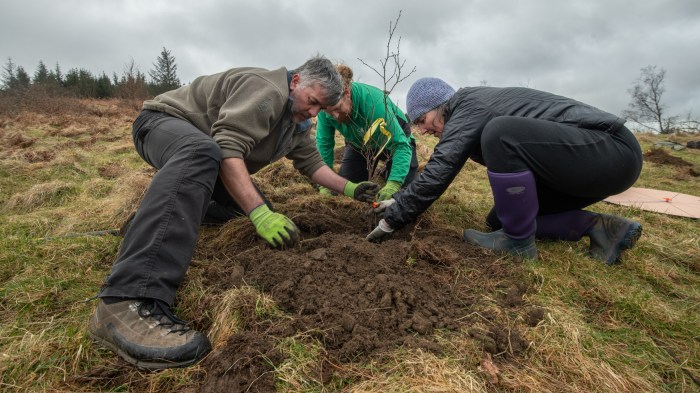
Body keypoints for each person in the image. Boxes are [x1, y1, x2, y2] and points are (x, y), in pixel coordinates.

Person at [88, 55, 379, 370]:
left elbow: (312, 165)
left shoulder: (295, 121)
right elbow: (226, 148)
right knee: (207, 158)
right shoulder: (267, 90)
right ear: (296, 81)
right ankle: (126, 300)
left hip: (205, 159)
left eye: (321, 109)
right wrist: (259, 214)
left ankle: (148, 223)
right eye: (312, 101)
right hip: (161, 124)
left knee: (253, 209)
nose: (313, 112)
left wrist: (350, 189)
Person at [367, 77, 643, 264]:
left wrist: (394, 217)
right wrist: (401, 198)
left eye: (423, 120)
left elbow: (441, 167)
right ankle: (602, 229)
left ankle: (519, 244)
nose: (423, 130)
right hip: (583, 166)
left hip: (610, 149)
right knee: (502, 218)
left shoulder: (469, 105)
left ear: (440, 107)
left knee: (499, 133)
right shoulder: (467, 112)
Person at [315, 64, 418, 201]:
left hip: (395, 143)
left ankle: (388, 172)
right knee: (347, 190)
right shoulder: (324, 109)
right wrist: (324, 185)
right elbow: (324, 145)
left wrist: (393, 184)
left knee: (402, 194)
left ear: (347, 93)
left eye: (338, 108)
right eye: (329, 111)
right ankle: (383, 171)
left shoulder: (374, 101)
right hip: (360, 145)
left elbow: (400, 145)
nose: (335, 116)